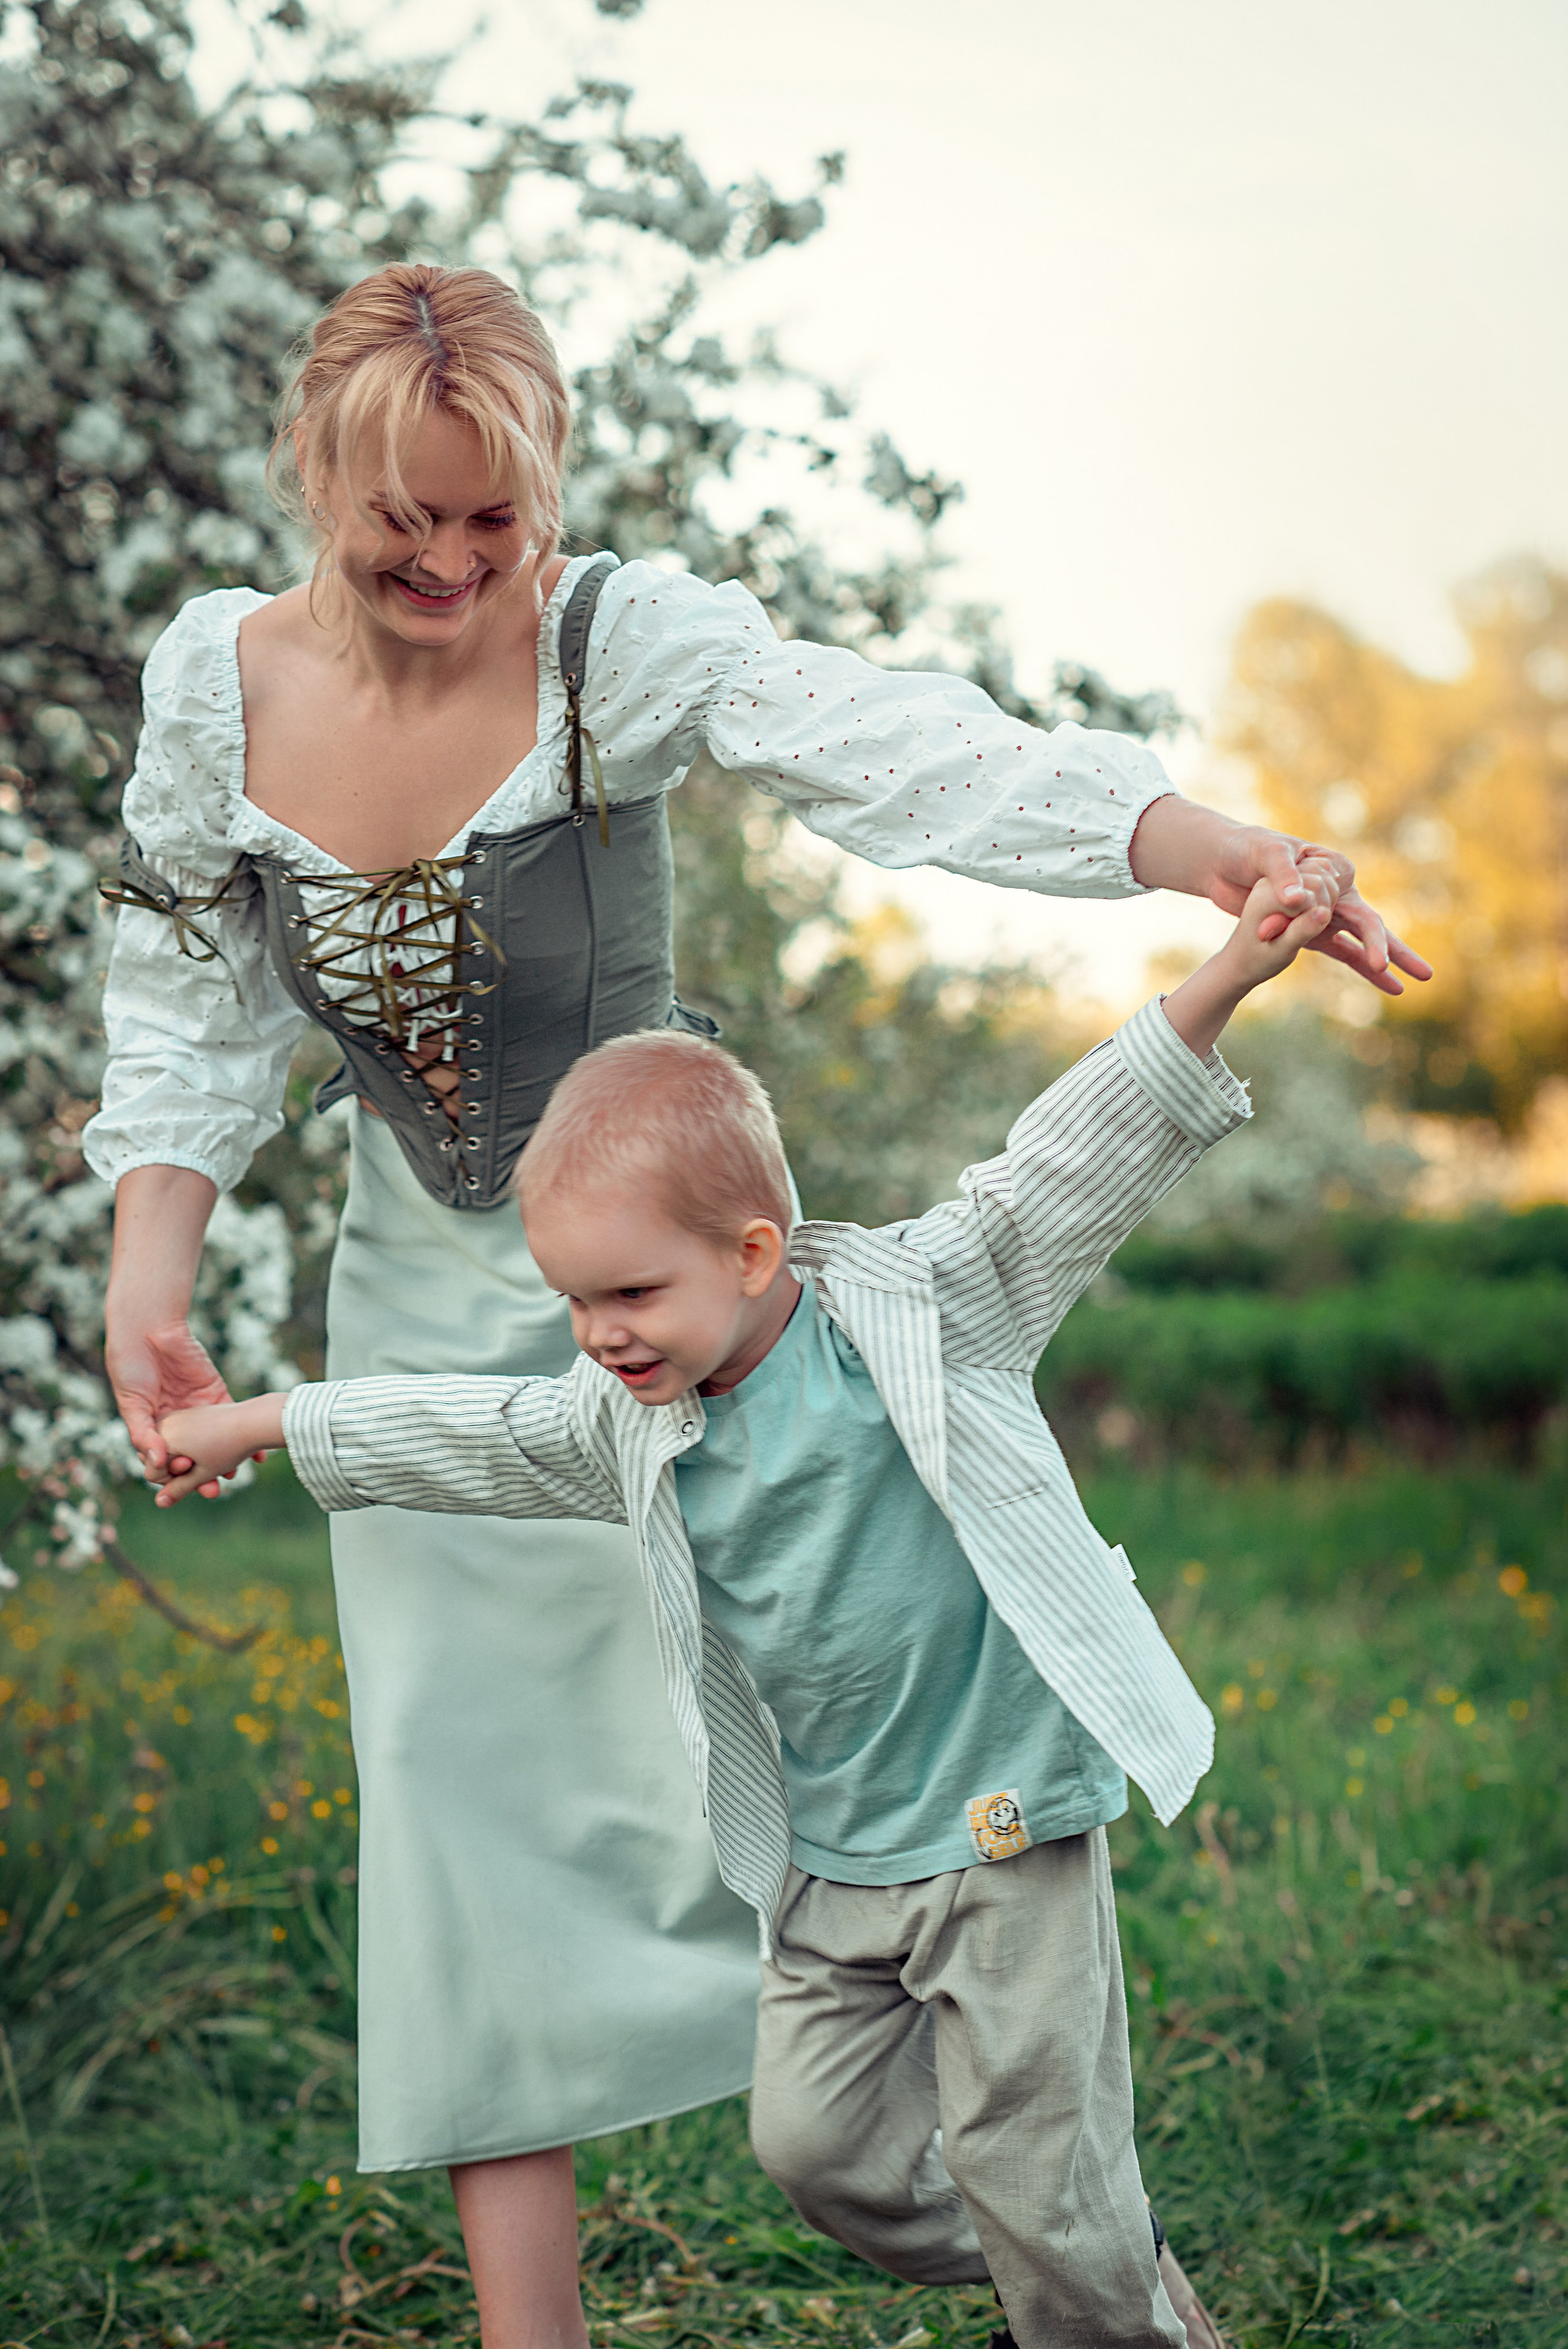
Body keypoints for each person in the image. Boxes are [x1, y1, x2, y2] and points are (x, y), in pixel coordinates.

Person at [83, 260, 1427, 2349]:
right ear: (312, 480)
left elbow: (902, 748)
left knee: (804, 1712)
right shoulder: (216, 691)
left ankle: (1069, 2238)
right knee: (460, 1798)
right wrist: (149, 1272)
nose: (451, 564)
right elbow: (189, 1004)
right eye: (403, 520)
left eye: (495, 518)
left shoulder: (616, 645)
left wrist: (1202, 850)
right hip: (421, 1279)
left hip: (672, 1267)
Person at [151, 867, 1330, 2349]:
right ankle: (1087, 2261)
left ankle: (1084, 2283)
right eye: (574, 1301)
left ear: (752, 1251)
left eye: (630, 1295)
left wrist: (1225, 975)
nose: (598, 1334)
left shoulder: (922, 1311)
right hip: (833, 1856)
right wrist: (257, 1422)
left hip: (1003, 1823)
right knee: (816, 2150)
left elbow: (1064, 1156)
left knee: (1035, 2162)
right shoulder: (624, 1419)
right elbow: (463, 1426)